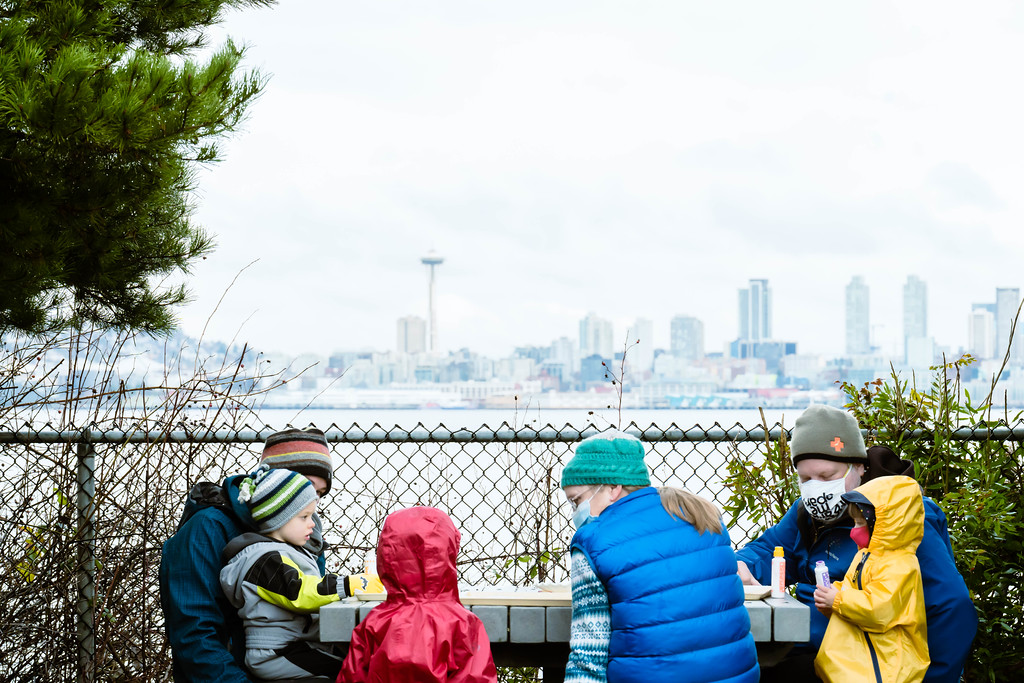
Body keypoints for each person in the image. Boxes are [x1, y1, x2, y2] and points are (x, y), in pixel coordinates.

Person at [735, 404, 976, 683]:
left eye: (827, 477)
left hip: (869, 669)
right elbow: (771, 548)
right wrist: (742, 565)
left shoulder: (900, 517)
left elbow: (952, 607)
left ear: (860, 467)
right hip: (811, 654)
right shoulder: (805, 512)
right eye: (805, 479)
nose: (816, 489)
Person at [561, 430, 759, 683]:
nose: (576, 512)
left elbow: (589, 651)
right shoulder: (701, 515)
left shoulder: (593, 542)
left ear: (612, 487)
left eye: (577, 500)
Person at [160, 427, 341, 682]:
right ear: (271, 479)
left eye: (319, 494)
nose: (311, 500)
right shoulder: (207, 528)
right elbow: (195, 633)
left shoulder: (304, 535)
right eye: (306, 485)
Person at [220, 466, 383, 680]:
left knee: (355, 662)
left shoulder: (286, 552)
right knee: (348, 672)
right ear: (278, 518)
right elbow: (301, 593)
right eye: (304, 516)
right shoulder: (266, 560)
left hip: (295, 644)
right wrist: (348, 585)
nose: (312, 523)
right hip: (276, 653)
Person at [336, 506, 497, 683]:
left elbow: (353, 676)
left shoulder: (375, 622)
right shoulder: (463, 624)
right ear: (448, 553)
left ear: (386, 556)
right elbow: (475, 677)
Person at [812, 475, 929, 683]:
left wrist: (837, 600)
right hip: (861, 661)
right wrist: (830, 598)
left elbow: (879, 610)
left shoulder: (901, 565)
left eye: (860, 522)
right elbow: (851, 588)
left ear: (884, 523)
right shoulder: (864, 555)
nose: (854, 530)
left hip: (885, 665)